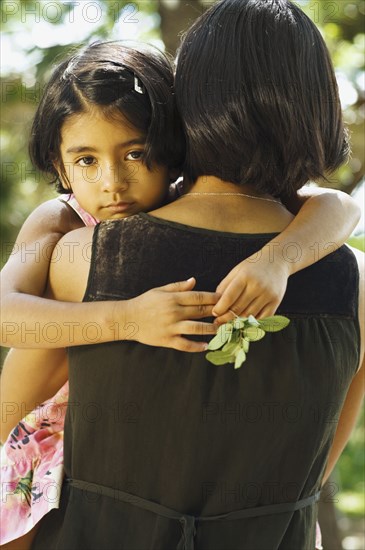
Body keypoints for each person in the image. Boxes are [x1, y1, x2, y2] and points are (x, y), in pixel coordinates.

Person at [0, 3, 363, 545]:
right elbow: (314, 473)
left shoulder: (82, 259)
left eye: (135, 153)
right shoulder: (350, 282)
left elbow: (10, 410)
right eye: (85, 162)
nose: (112, 184)